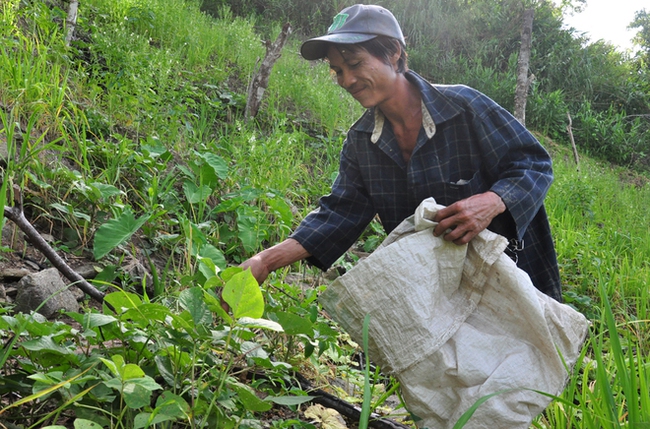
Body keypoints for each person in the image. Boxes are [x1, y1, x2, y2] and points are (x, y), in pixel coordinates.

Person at [240, 3, 562, 302]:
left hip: (513, 282)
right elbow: (338, 214)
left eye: (354, 64)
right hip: (443, 296)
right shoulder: (362, 143)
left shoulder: (463, 108)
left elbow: (533, 163)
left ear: (393, 52)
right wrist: (265, 261)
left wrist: (492, 202)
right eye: (337, 71)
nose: (347, 80)